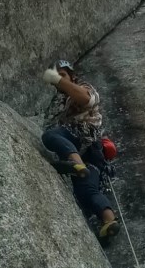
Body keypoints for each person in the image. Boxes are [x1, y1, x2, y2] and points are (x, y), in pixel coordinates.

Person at [41, 60, 120, 240]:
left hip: (83, 137)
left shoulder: (82, 87)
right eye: (57, 76)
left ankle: (77, 165)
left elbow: (86, 98)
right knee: (86, 191)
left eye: (63, 75)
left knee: (50, 136)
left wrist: (57, 79)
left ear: (72, 76)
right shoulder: (58, 102)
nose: (58, 79)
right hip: (90, 153)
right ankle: (109, 220)